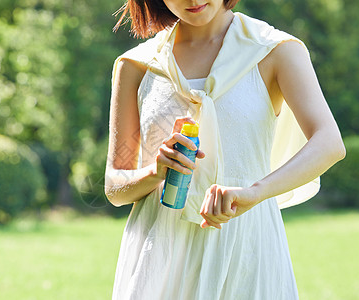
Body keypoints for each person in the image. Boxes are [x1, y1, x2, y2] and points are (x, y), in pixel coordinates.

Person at [105, 0, 346, 299]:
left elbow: (329, 143)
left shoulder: (272, 49)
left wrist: (256, 192)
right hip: (159, 252)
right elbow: (115, 187)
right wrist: (156, 171)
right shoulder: (137, 65)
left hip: (244, 244)